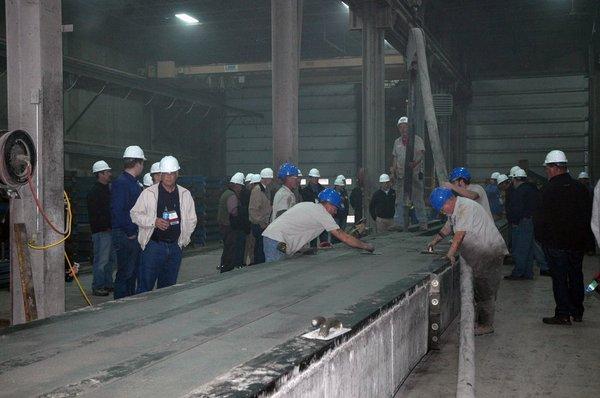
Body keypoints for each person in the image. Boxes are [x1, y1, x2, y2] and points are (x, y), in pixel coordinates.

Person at [427, 187, 508, 335]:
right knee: (479, 288)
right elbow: (447, 228)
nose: (443, 212)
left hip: (489, 251)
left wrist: (450, 254)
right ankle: (480, 321)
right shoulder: (454, 210)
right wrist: (434, 242)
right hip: (480, 252)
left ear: (449, 200)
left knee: (485, 290)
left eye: (443, 209)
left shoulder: (465, 207)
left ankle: (486, 325)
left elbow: (459, 235)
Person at [534, 150, 593, 325]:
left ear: (553, 168)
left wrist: (542, 238)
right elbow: (588, 216)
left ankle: (563, 313)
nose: (547, 171)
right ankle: (577, 311)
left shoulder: (548, 190)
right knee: (576, 275)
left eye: (547, 168)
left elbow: (540, 219)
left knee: (560, 278)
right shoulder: (580, 188)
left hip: (556, 244)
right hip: (577, 243)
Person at [131, 156, 197, 293]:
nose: (169, 177)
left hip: (174, 247)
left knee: (168, 290)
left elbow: (192, 219)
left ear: (177, 174)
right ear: (160, 174)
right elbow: (135, 214)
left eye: (172, 173)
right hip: (154, 247)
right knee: (145, 288)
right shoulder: (148, 194)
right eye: (166, 173)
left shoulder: (185, 194)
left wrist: (183, 240)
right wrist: (153, 221)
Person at [262, 188, 374, 262]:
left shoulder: (311, 207)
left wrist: (309, 249)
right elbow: (343, 236)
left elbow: (295, 230)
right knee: (275, 273)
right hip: (276, 241)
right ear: (328, 204)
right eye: (335, 208)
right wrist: (365, 246)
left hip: (275, 240)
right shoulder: (322, 213)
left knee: (279, 273)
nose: (335, 212)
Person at [111, 145, 145, 299]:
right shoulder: (122, 183)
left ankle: (130, 302)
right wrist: (130, 231)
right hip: (126, 234)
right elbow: (119, 210)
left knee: (132, 273)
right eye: (142, 163)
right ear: (137, 163)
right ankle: (119, 305)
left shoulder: (132, 183)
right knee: (125, 272)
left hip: (131, 233)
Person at [391, 116, 426, 229]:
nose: (403, 129)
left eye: (405, 126)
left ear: (408, 127)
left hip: (414, 175)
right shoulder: (397, 142)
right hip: (401, 176)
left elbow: (421, 154)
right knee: (399, 200)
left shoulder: (417, 139)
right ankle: (398, 223)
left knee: (417, 199)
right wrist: (394, 170)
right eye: (400, 127)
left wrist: (415, 164)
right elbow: (395, 157)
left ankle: (422, 223)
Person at [504, 169, 540, 280]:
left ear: (515, 179)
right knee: (528, 249)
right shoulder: (532, 189)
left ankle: (518, 272)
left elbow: (517, 209)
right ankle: (528, 273)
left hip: (521, 222)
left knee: (519, 248)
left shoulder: (519, 191)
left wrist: (514, 221)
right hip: (530, 221)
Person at [87, 160, 115, 296]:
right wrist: (105, 226)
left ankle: (108, 283)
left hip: (108, 231)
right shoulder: (94, 192)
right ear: (100, 174)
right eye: (107, 172)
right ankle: (98, 286)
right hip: (101, 232)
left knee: (110, 260)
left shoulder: (107, 190)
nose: (110, 174)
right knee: (102, 260)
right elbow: (96, 214)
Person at [217, 172, 245, 273]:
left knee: (227, 247)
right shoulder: (232, 195)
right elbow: (233, 212)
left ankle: (224, 265)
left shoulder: (226, 193)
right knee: (230, 247)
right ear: (236, 185)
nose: (241, 189)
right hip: (228, 226)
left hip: (223, 225)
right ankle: (227, 267)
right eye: (240, 186)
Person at [249, 168, 273, 265]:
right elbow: (253, 210)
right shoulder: (257, 190)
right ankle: (258, 264)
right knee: (259, 247)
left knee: (262, 247)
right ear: (265, 179)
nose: (271, 181)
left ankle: (260, 262)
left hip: (264, 224)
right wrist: (261, 223)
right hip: (258, 225)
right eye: (270, 179)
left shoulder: (265, 190)